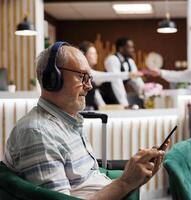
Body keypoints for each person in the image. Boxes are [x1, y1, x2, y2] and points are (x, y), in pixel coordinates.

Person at [3, 42, 168, 200]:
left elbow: (88, 178)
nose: (89, 86)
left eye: (89, 77)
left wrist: (137, 175)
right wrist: (125, 182)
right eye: (82, 76)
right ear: (52, 79)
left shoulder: (68, 121)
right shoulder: (38, 133)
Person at [78, 41, 142, 109]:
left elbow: (96, 94)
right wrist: (128, 74)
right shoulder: (83, 72)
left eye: (95, 53)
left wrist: (104, 107)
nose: (96, 55)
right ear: (83, 55)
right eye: (92, 53)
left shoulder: (90, 75)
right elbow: (107, 76)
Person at [100, 37, 144, 107]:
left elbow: (137, 80)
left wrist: (144, 94)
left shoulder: (130, 61)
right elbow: (116, 82)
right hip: (108, 99)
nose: (132, 50)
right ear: (121, 48)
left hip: (120, 98)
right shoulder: (112, 59)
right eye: (130, 47)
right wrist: (124, 104)